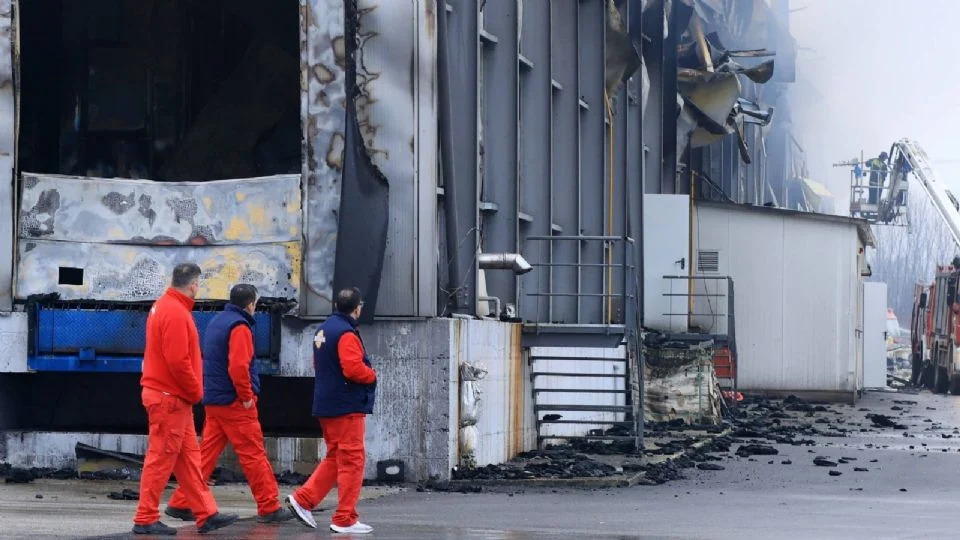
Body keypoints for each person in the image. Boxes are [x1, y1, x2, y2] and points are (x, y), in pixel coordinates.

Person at [164, 284, 293, 524]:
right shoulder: (240, 327)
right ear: (250, 304)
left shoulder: (217, 322)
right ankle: (269, 506)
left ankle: (181, 502)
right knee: (253, 454)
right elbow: (238, 367)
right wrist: (246, 397)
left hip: (215, 400)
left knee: (205, 454)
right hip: (234, 403)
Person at [133, 263, 239, 535]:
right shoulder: (177, 313)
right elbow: (178, 361)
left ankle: (206, 514)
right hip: (172, 399)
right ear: (193, 285)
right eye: (199, 285)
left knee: (189, 459)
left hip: (169, 398)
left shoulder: (163, 306)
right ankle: (145, 518)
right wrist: (195, 392)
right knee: (161, 459)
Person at [287, 287, 377, 534]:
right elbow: (353, 369)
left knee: (336, 457)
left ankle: (303, 499)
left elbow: (319, 364)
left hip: (327, 404)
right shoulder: (346, 333)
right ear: (357, 308)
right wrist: (372, 375)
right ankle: (345, 518)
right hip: (346, 406)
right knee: (352, 461)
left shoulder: (323, 329)